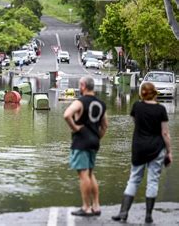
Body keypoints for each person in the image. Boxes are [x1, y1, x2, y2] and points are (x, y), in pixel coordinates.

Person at [112, 82, 172, 223]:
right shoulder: (161, 109)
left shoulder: (137, 107)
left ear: (142, 93)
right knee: (152, 181)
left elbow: (135, 121)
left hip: (139, 148)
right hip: (157, 148)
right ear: (154, 93)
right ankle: (148, 215)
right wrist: (169, 152)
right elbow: (165, 133)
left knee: (134, 179)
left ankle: (123, 213)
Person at [63, 76, 108, 216]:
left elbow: (67, 115)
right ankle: (96, 205)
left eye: (79, 85)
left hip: (81, 142)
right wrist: (96, 137)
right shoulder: (101, 104)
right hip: (94, 141)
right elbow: (105, 126)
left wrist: (76, 128)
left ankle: (86, 207)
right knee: (90, 173)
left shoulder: (80, 102)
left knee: (83, 175)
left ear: (83, 86)